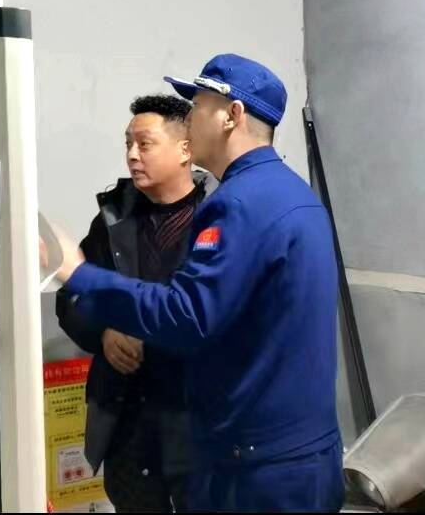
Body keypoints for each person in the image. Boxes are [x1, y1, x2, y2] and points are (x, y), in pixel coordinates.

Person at [47, 53, 343, 512]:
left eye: (199, 105)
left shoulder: (237, 204)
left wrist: (77, 272)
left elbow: (187, 315)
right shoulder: (293, 193)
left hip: (255, 464)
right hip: (300, 452)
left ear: (232, 115)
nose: (190, 117)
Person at [56, 94, 211, 512]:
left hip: (198, 419)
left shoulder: (219, 216)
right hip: (127, 417)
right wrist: (104, 331)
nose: (132, 155)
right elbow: (71, 297)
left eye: (145, 144)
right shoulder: (113, 219)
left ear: (185, 149)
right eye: (128, 144)